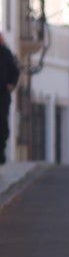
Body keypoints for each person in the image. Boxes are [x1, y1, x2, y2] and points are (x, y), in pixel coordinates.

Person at [0, 33, 19, 165]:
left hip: (2, 95)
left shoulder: (6, 53)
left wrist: (11, 84)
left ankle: (1, 151)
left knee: (2, 123)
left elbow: (15, 71)